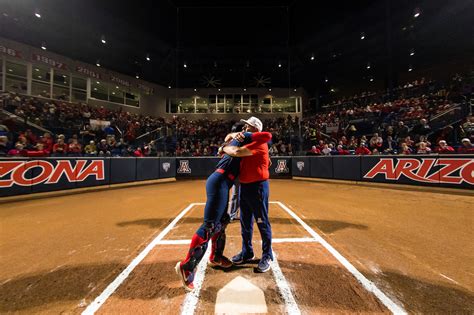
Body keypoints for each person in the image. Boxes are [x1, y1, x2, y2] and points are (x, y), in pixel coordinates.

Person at [175, 123, 271, 291]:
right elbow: (235, 148)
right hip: (220, 181)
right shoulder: (237, 142)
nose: (245, 129)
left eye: (248, 127)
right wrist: (226, 145)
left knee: (223, 220)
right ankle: (187, 267)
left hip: (226, 183)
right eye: (244, 128)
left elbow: (263, 144)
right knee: (210, 225)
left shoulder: (245, 141)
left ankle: (215, 256)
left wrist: (229, 142)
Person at [223, 117, 273, 273]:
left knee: (262, 222)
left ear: (255, 130)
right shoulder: (249, 141)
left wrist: (223, 148)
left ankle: (267, 255)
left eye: (248, 126)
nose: (244, 127)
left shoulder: (260, 144)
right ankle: (247, 252)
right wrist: (233, 136)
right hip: (245, 186)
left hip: (258, 187)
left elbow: (237, 152)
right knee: (245, 221)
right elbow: (232, 137)